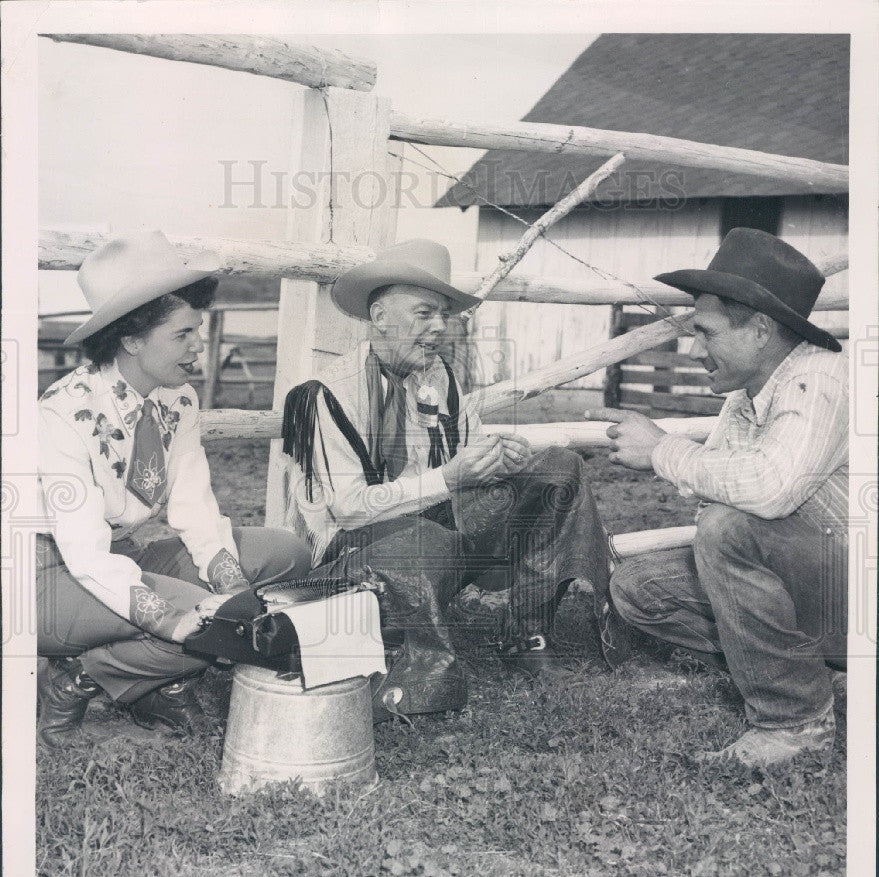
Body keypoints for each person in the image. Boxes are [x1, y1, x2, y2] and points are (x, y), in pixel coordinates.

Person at [280, 240, 614, 718]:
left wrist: (502, 458)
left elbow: (464, 455)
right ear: (380, 316)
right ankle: (404, 660)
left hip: (437, 531)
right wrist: (450, 480)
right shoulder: (326, 396)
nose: (439, 327)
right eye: (423, 313)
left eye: (443, 315)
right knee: (427, 536)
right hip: (353, 558)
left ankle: (527, 632)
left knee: (557, 467)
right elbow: (349, 509)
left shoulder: (439, 378)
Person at [37, 231, 312, 747]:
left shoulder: (176, 400)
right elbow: (87, 556)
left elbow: (195, 509)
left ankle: (151, 680)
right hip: (43, 572)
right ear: (132, 339)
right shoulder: (62, 413)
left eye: (199, 329)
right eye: (183, 334)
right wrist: (174, 619)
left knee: (284, 554)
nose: (199, 345)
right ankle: (75, 683)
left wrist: (236, 591)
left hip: (120, 555)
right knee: (199, 623)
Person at [594, 228, 848, 766]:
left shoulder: (822, 378)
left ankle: (795, 724)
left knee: (729, 529)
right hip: (824, 587)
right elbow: (721, 493)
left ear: (759, 329)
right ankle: (792, 666)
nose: (693, 349)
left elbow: (768, 490)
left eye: (705, 333)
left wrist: (663, 449)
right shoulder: (746, 396)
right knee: (640, 587)